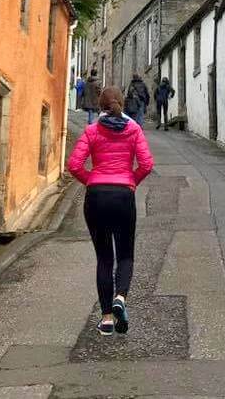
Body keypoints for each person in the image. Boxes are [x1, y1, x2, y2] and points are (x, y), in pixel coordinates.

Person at [66, 87, 154, 336]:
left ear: (101, 106)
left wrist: (92, 180)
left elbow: (74, 165)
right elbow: (147, 164)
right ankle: (120, 298)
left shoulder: (92, 131)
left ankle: (106, 319)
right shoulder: (134, 130)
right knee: (125, 255)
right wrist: (131, 182)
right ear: (122, 104)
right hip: (123, 196)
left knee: (104, 258)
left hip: (96, 197)